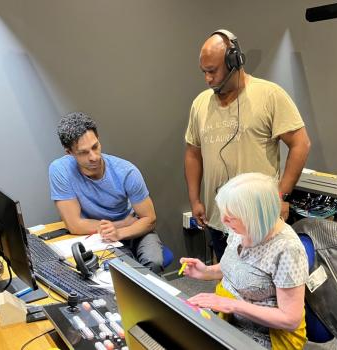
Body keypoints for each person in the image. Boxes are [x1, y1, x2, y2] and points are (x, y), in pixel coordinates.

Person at [184, 29, 311, 261]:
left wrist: (282, 196)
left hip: (259, 221)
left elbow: (301, 144)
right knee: (227, 282)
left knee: (262, 289)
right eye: (204, 72)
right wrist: (195, 200)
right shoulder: (200, 104)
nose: (207, 79)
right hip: (218, 220)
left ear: (234, 61)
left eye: (212, 71)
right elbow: (193, 153)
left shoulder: (270, 95)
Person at [180, 173, 309, 349]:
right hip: (230, 316)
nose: (224, 220)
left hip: (267, 333)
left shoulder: (288, 250)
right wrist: (206, 272)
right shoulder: (240, 229)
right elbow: (237, 268)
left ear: (256, 216)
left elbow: (290, 320)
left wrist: (232, 305)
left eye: (231, 215)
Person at [49, 112, 164, 273]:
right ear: (69, 153)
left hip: (135, 228)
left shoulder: (126, 171)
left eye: (95, 147)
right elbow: (74, 225)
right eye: (83, 152)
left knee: (155, 262)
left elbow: (149, 219)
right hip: (100, 235)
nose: (94, 157)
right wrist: (120, 225)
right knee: (123, 271)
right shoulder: (60, 170)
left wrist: (120, 231)